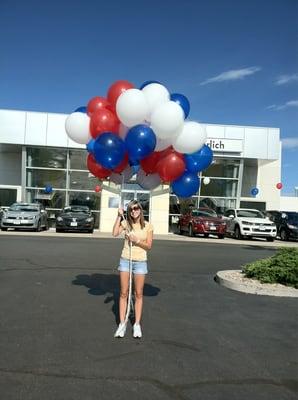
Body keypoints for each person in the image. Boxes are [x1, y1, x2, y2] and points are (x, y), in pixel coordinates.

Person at [112, 200, 153, 338]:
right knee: (123, 293)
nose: (134, 211)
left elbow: (148, 246)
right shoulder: (126, 223)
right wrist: (119, 216)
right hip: (125, 260)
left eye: (136, 208)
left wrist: (136, 240)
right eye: (131, 209)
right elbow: (114, 233)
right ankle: (122, 324)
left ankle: (136, 325)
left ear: (140, 210)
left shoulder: (148, 226)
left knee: (139, 293)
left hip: (140, 262)